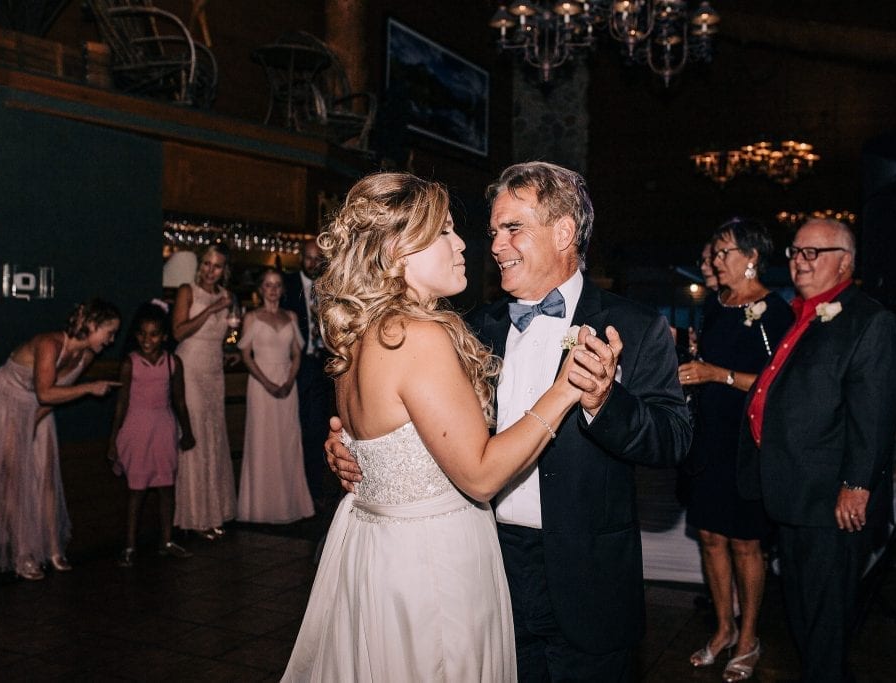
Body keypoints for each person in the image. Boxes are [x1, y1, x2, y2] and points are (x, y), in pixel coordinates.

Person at [328, 161, 693, 681]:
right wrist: (354, 444)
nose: (494, 245)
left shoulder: (633, 324)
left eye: (512, 228)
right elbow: (404, 413)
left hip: (586, 570)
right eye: (492, 230)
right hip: (483, 562)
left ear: (564, 232)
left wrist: (605, 401)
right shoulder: (467, 326)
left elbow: (673, 440)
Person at [283, 171, 610, 681]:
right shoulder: (417, 336)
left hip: (378, 552)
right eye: (444, 232)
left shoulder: (356, 335)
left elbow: (383, 437)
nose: (464, 244)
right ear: (397, 251)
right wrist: (565, 388)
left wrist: (346, 448)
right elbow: (479, 476)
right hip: (430, 563)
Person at [736, 218, 896, 683]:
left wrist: (856, 486)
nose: (799, 261)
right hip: (795, 494)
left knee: (824, 628)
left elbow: (872, 416)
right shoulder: (806, 315)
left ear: (845, 262)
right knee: (805, 621)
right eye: (795, 252)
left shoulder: (869, 321)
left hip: (831, 502)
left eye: (814, 252)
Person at [678, 218, 794, 681]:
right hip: (709, 438)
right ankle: (723, 629)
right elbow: (704, 362)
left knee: (747, 542)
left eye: (725, 253)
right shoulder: (717, 305)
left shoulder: (774, 313)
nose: (716, 261)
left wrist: (716, 374)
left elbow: (778, 388)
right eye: (716, 252)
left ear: (752, 258)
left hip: (748, 445)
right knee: (710, 537)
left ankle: (749, 637)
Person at [0, 299, 121, 580]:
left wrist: (36, 420)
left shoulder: (86, 355)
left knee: (47, 475)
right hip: (5, 400)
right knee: (15, 479)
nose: (112, 340)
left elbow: (52, 398)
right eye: (109, 332)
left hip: (38, 407)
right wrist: (89, 388)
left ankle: (52, 548)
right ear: (90, 326)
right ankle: (23, 554)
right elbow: (46, 392)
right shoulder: (50, 344)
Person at [108, 300, 196, 567]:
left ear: (164, 336)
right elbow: (121, 404)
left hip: (163, 428)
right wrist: (113, 440)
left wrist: (187, 431)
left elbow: (180, 401)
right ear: (136, 336)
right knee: (137, 490)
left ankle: (166, 541)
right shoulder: (130, 363)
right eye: (143, 334)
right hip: (136, 429)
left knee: (166, 487)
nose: (148, 340)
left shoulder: (173, 363)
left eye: (154, 334)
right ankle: (130, 545)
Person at [236, 268, 314, 524]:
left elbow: (297, 354)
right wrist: (268, 383)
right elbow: (246, 355)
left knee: (287, 440)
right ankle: (260, 508)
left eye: (277, 285)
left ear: (282, 289)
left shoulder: (290, 316)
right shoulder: (252, 317)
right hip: (261, 385)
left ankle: (290, 505)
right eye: (268, 285)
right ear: (261, 289)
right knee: (262, 441)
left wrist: (289, 380)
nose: (272, 289)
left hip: (286, 384)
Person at [172, 243, 236, 540]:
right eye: (208, 264)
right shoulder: (188, 291)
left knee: (214, 436)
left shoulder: (227, 297)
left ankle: (214, 513)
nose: (212, 270)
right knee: (195, 434)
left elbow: (223, 336)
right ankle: (195, 516)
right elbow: (179, 332)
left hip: (214, 370)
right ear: (201, 265)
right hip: (190, 368)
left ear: (225, 270)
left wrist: (228, 350)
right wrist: (211, 309)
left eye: (218, 266)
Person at [282, 238, 331, 509]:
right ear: (300, 258)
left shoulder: (329, 286)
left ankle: (313, 491)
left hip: (323, 365)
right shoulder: (286, 285)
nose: (313, 263)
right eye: (308, 258)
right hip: (295, 365)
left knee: (317, 431)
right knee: (294, 430)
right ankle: (292, 492)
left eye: (317, 259)